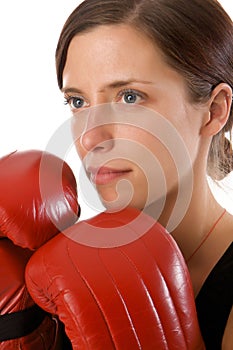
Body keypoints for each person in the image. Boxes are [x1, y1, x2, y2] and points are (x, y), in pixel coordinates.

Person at [52, 0, 233, 348]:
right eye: (77, 102)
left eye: (129, 97)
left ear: (214, 111)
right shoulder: (62, 276)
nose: (90, 137)